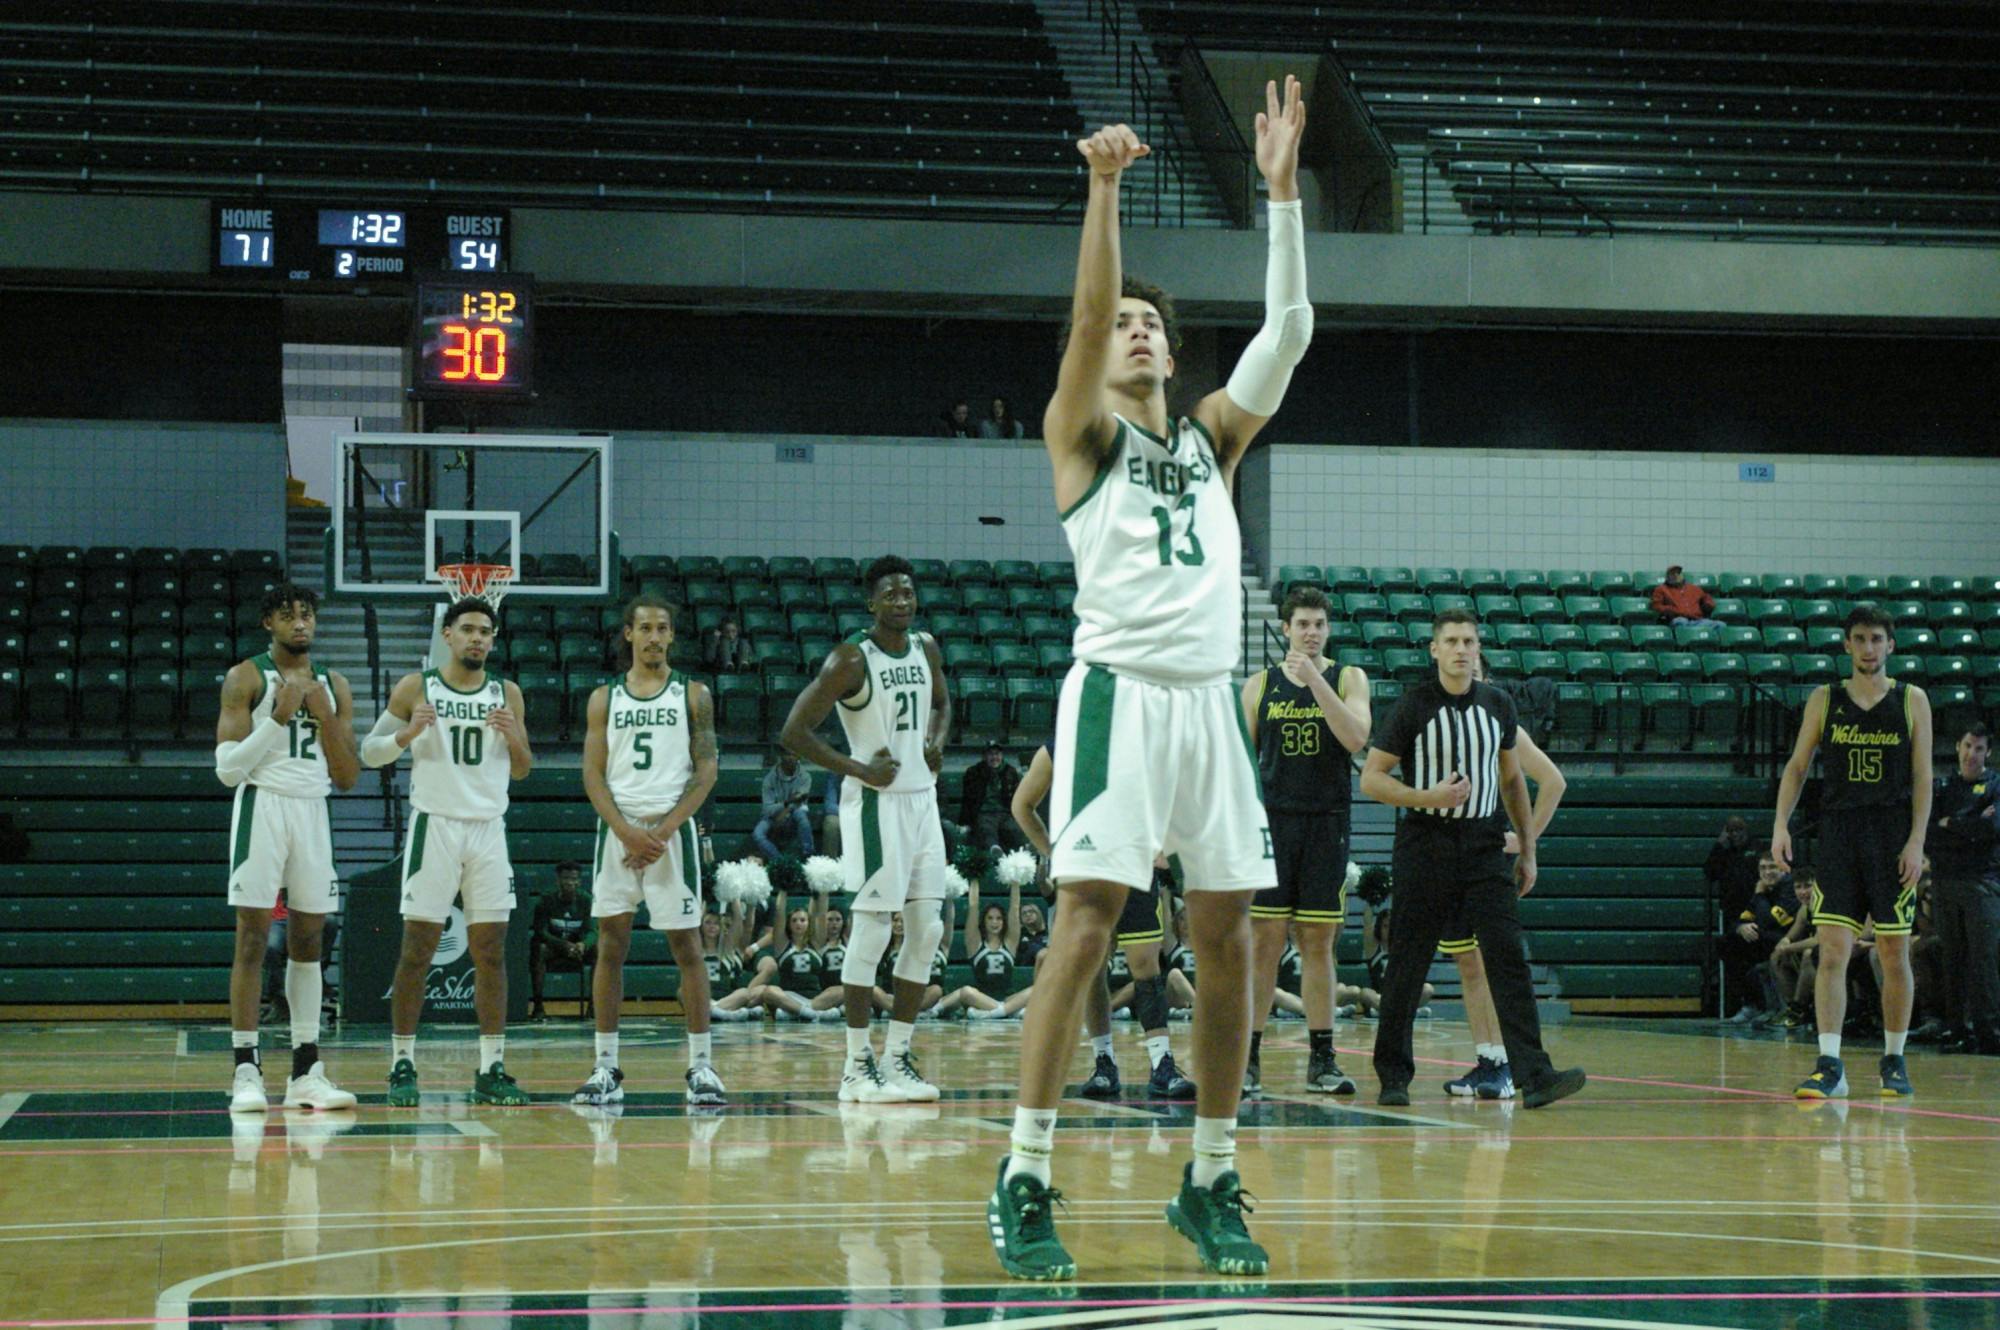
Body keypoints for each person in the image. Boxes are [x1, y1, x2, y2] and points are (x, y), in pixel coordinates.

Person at [990, 78, 1313, 1283]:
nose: (1130, 330)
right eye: (1120, 319)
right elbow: (1078, 332)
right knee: (1083, 925)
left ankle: (1210, 1175)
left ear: (1173, 354)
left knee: (1229, 938)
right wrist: (1105, 189)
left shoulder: (1209, 438)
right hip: (1118, 693)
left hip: (1207, 705)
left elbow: (1285, 337)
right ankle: (1024, 1170)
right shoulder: (1081, 435)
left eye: (1147, 323)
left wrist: (1279, 199)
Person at [1359, 610, 1586, 1111]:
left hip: (1484, 845)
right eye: (1452, 641)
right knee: (1408, 963)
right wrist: (1426, 795)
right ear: (1434, 650)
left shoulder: (1498, 705)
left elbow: (1512, 782)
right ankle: (1393, 1075)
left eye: (1469, 641)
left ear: (1478, 649)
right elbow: (1371, 778)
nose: (1462, 649)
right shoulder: (1413, 706)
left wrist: (1527, 848)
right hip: (1425, 842)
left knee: (1507, 959)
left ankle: (1535, 1074)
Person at [779, 554, 953, 1103]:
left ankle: (897, 1056)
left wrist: (937, 741)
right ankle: (856, 1065)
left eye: (908, 593)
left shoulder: (927, 646)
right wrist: (860, 769)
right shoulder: (851, 659)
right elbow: (794, 731)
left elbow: (943, 704)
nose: (902, 602)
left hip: (923, 802)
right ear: (871, 604)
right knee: (876, 930)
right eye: (891, 595)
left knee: (926, 931)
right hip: (877, 806)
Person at [361, 596, 535, 1106]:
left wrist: (515, 737)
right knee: (417, 949)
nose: (477, 638)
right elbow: (369, 753)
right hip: (434, 825)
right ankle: (401, 1063)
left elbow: (523, 768)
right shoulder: (417, 687)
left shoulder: (508, 693)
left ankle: (491, 1067)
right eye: (468, 630)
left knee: (492, 954)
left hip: (487, 830)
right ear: (448, 635)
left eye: (486, 631)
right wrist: (407, 732)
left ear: (493, 639)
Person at [1772, 605, 1932, 1098]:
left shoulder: (1912, 700)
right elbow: (1798, 766)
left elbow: (1924, 776)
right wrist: (1780, 824)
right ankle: (1829, 1064)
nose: (1868, 647)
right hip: (1840, 835)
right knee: (1833, 951)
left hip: (1891, 836)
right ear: (1846, 645)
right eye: (1859, 638)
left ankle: (1894, 1058)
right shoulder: (1825, 699)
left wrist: (1917, 840)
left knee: (1892, 951)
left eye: (1876, 639)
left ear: (1890, 646)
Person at [214, 582, 359, 1113]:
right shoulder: (246, 677)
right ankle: (246, 1069)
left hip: (311, 811)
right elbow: (228, 770)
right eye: (286, 615)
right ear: (267, 624)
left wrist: (321, 715)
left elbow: (347, 776)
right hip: (262, 805)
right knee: (252, 938)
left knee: (309, 942)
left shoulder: (335, 685)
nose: (300, 623)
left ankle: (306, 1070)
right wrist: (276, 717)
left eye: (306, 615)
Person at [575, 595, 725, 1107]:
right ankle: (605, 1067)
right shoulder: (603, 698)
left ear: (672, 636)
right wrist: (625, 831)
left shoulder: (693, 694)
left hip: (671, 833)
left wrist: (660, 832)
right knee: (610, 946)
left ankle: (702, 1066)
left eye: (664, 628)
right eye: (646, 628)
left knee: (688, 948)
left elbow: (707, 770)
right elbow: (592, 773)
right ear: (628, 635)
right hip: (618, 834)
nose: (656, 636)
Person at [1240, 583, 1371, 1098]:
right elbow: (1240, 761)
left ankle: (1322, 1059)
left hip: (1326, 822)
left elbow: (1357, 739)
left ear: (1328, 628)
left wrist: (1316, 680)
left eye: (1319, 624)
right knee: (1265, 945)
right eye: (1303, 625)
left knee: (1317, 942)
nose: (1312, 632)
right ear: (1287, 629)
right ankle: (1247, 1058)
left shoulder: (1348, 677)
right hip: (1273, 824)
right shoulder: (1258, 685)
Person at [1437, 654, 1568, 1101]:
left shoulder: (1499, 724)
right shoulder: (1435, 722)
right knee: (1466, 962)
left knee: (1497, 963)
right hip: (1446, 851)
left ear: (1485, 678)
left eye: (1475, 671)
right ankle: (1490, 1061)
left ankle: (1513, 1065)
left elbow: (1553, 782)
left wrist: (1524, 839)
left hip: (1487, 855)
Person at [1925, 723, 2000, 1053]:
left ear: (1989, 752)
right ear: (1957, 746)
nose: (1972, 754)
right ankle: (1957, 1029)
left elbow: (1992, 830)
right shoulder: (1940, 787)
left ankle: (1989, 1030)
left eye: (1979, 748)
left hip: (1983, 883)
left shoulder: (1997, 785)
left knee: (1983, 958)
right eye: (1968, 746)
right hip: (1944, 881)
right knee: (1951, 957)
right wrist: (1971, 826)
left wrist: (1951, 824)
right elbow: (1928, 834)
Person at [1718, 854, 1795, 1026]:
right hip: (1768, 938)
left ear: (1783, 868)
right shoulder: (1764, 889)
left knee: (1747, 943)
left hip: (1789, 939)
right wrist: (1741, 927)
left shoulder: (1790, 888)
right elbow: (1743, 917)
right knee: (1727, 942)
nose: (1767, 872)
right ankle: (1753, 1004)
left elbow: (1769, 921)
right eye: (1763, 868)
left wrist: (1759, 895)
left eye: (1772, 867)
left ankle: (1775, 1007)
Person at [528, 862, 595, 1021]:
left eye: (574, 879)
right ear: (557, 880)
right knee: (538, 948)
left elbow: (593, 931)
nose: (570, 882)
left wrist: (583, 944)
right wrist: (564, 945)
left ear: (579, 881)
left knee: (599, 951)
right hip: (555, 947)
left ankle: (593, 1007)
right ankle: (538, 1006)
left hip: (578, 947)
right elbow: (540, 931)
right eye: (566, 878)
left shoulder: (587, 901)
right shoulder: (545, 900)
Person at [1768, 871, 1820, 1027]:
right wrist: (1784, 943)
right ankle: (1792, 1007)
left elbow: (1819, 939)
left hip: (1836, 953)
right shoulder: (1805, 909)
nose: (1803, 892)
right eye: (1798, 887)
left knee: (1808, 955)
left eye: (1808, 886)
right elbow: (1790, 936)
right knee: (1777, 956)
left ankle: (1799, 1008)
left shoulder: (1825, 906)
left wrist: (1788, 947)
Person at [960, 743, 1025, 852]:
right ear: (984, 756)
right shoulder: (974, 772)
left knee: (1014, 829)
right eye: (990, 754)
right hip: (984, 812)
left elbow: (1017, 797)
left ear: (1002, 755)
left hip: (1005, 813)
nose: (994, 758)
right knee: (986, 829)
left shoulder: (1010, 771)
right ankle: (994, 850)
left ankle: (1022, 855)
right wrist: (964, 822)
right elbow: (967, 800)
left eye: (997, 754)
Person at [753, 751, 816, 860]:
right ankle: (780, 861)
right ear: (781, 757)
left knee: (802, 818)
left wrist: (785, 811)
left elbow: (800, 802)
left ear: (798, 757)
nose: (791, 758)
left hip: (793, 813)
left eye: (794, 754)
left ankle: (809, 856)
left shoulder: (805, 776)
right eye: (787, 754)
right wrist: (787, 803)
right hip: (772, 817)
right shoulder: (769, 779)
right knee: (758, 834)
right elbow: (767, 809)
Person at [1705, 816, 1762, 931]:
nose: (1735, 834)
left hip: (1754, 903)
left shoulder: (1757, 847)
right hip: (1731, 907)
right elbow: (1709, 873)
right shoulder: (1722, 851)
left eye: (1738, 830)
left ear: (1745, 830)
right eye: (1731, 831)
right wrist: (1718, 845)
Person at [1649, 565, 1720, 628]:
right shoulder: (1661, 589)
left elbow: (1706, 597)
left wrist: (1708, 604)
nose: (1676, 575)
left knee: (1720, 624)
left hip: (1697, 620)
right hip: (1678, 619)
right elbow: (1656, 605)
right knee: (1681, 622)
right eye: (1672, 573)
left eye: (1678, 573)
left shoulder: (1694, 588)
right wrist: (1670, 610)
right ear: (1667, 576)